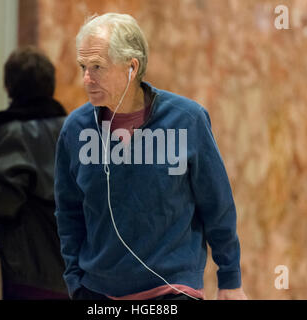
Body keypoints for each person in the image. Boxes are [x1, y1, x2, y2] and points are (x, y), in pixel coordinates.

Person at [54, 13, 247, 300]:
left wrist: (230, 279)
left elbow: (217, 204)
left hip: (173, 291)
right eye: (83, 66)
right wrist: (75, 281)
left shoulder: (187, 120)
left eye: (97, 67)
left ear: (132, 67)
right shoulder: (75, 129)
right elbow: (68, 212)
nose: (86, 79)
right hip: (97, 293)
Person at [0, 47, 68, 300]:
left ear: (9, 87)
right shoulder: (74, 131)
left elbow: (4, 202)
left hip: (26, 271)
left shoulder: (12, 133)